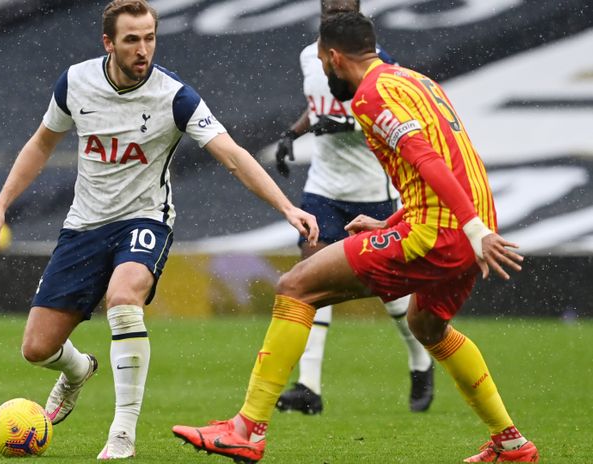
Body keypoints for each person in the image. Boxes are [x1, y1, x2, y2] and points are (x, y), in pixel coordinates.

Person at [172, 11, 539, 463]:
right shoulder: (416, 82)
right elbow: (455, 158)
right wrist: (398, 223)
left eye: (326, 67)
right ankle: (511, 444)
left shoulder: (369, 96)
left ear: (333, 57)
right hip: (460, 224)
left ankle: (247, 429)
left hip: (446, 231)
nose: (327, 77)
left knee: (295, 287)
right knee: (427, 325)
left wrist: (470, 227)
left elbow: (427, 161)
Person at [0, 0, 318, 460]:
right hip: (84, 225)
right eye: (132, 40)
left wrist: (285, 206)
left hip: (145, 220)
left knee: (123, 300)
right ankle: (79, 370)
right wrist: (0, 206)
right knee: (37, 349)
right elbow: (41, 144)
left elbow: (233, 155)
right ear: (109, 43)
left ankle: (122, 433)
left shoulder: (175, 96)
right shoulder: (76, 82)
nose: (143, 49)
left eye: (150, 37)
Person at [273, 0, 433, 415]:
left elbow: (391, 117)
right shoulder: (310, 54)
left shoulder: (381, 63)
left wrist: (342, 125)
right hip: (323, 187)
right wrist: (294, 132)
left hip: (370, 188)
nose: (334, 10)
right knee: (308, 273)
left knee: (389, 290)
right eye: (330, 4)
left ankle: (420, 360)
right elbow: (322, 103)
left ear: (358, 9)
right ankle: (308, 386)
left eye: (343, 5)